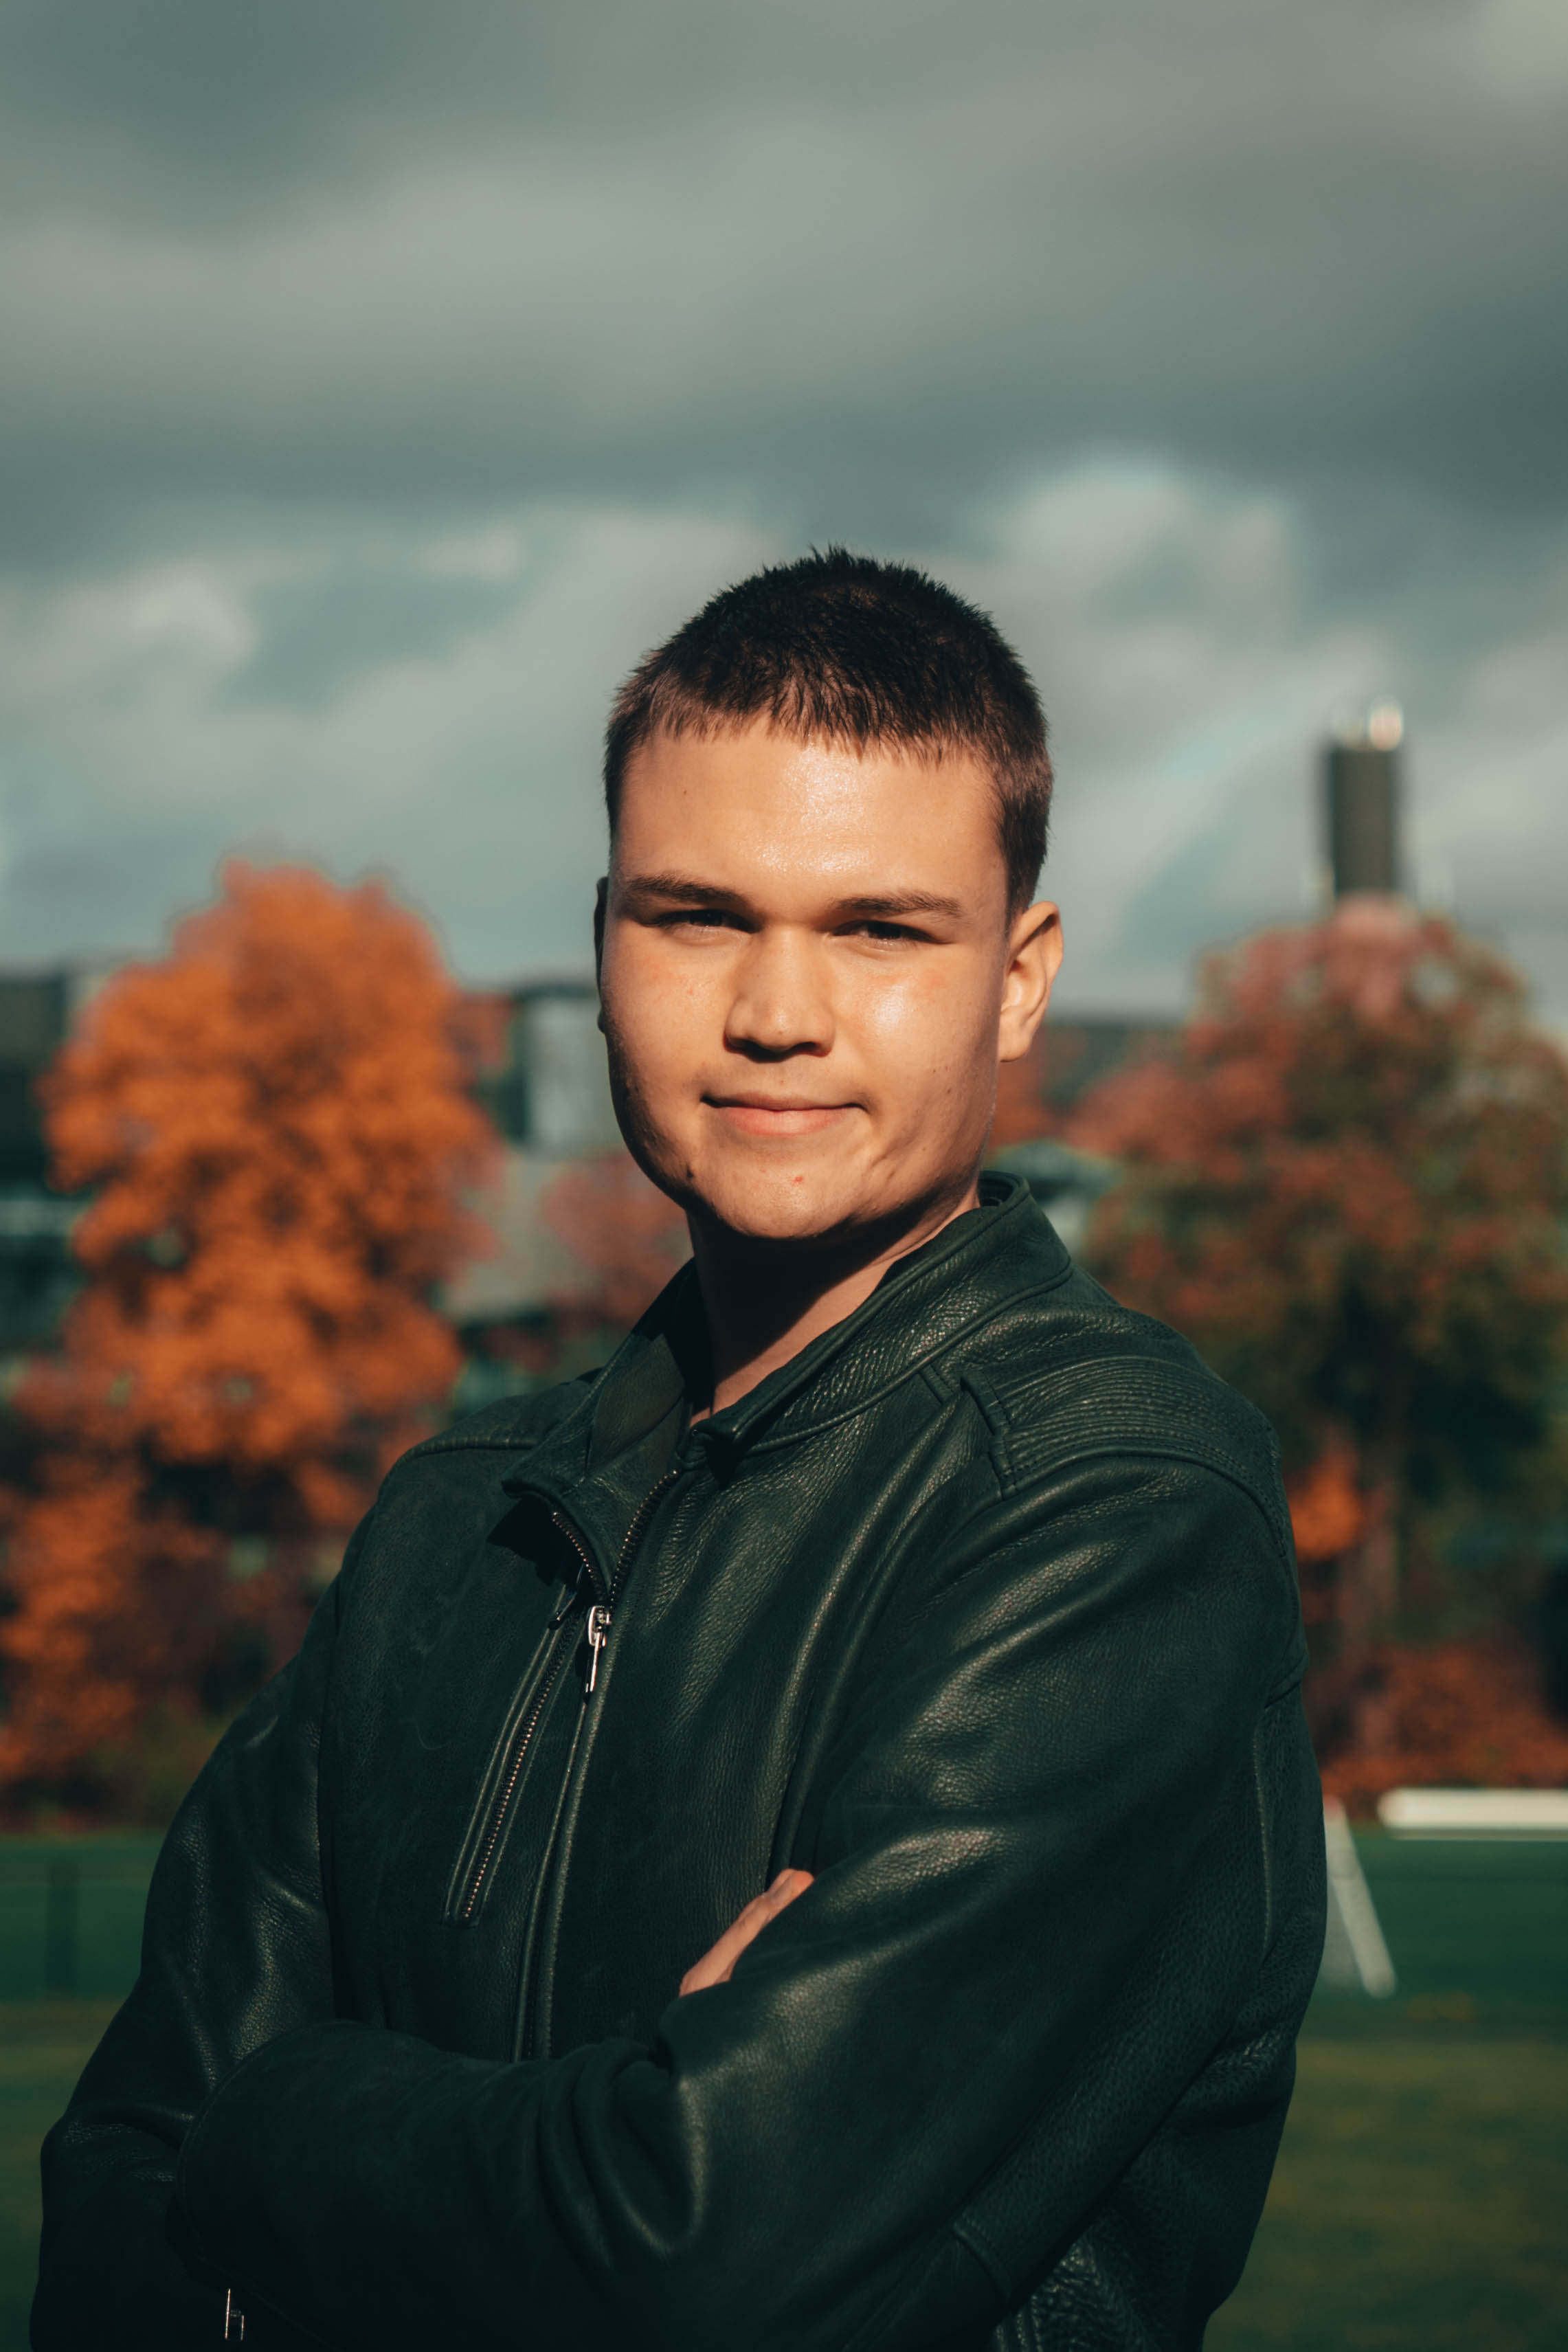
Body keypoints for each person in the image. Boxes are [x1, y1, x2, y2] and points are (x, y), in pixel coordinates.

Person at [34, 550, 1325, 2352]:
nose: (775, 1012)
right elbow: (108, 2221)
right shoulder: (448, 1527)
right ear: (601, 940)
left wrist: (277, 2126)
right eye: (698, 915)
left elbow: (700, 2254)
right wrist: (584, 2139)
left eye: (880, 930)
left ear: (1018, 981)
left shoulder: (1110, 1503)